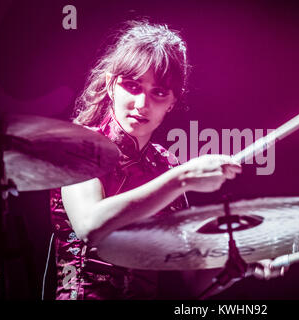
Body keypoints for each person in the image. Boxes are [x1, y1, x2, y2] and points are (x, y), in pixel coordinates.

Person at [50, 19, 286, 300]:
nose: (142, 104)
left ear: (172, 103)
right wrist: (182, 179)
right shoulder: (80, 145)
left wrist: (241, 261)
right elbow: (89, 225)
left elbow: (192, 282)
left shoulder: (166, 165)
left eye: (158, 93)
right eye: (132, 86)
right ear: (111, 85)